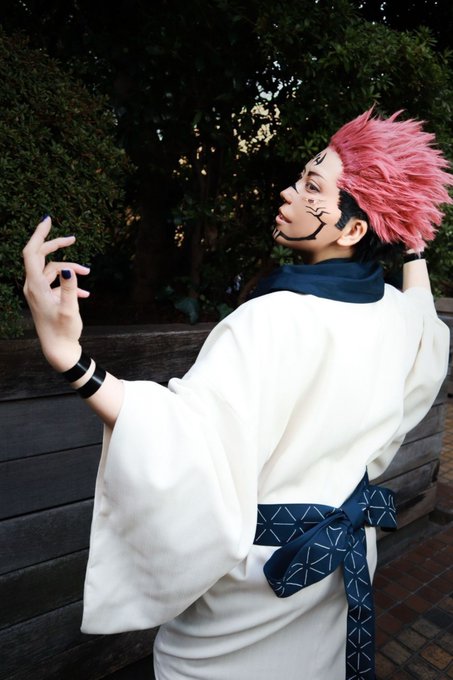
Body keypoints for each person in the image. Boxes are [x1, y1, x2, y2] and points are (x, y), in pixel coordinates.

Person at [23, 108, 451, 680]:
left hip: (260, 585)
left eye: (312, 187)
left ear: (352, 230)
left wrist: (69, 358)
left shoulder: (271, 321)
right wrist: (413, 243)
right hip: (337, 573)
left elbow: (184, 438)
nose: (289, 192)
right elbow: (427, 321)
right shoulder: (399, 318)